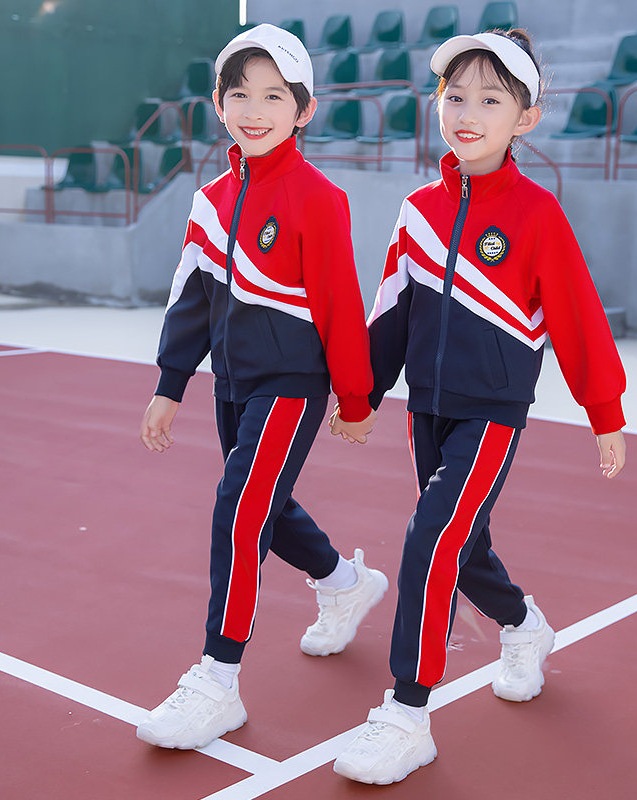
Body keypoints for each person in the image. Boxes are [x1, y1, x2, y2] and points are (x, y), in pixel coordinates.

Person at [330, 29, 627, 784]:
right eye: (455, 96)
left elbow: (578, 318)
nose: (467, 114)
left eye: (490, 100)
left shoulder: (538, 214)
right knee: (462, 548)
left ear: (525, 118)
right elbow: (389, 313)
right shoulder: (417, 211)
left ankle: (406, 716)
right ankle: (524, 625)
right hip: (424, 409)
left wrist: (605, 413)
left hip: (492, 411)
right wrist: (362, 395)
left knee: (430, 539)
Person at [135, 23, 385, 751]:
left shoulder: (319, 198)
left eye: (274, 96)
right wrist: (170, 384)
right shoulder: (210, 199)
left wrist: (356, 397)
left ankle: (218, 680)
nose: (254, 109)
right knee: (262, 503)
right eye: (239, 93)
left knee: (239, 508)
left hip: (293, 383)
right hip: (231, 382)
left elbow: (340, 302)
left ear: (303, 110)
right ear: (218, 103)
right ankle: (344, 583)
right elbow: (190, 298)